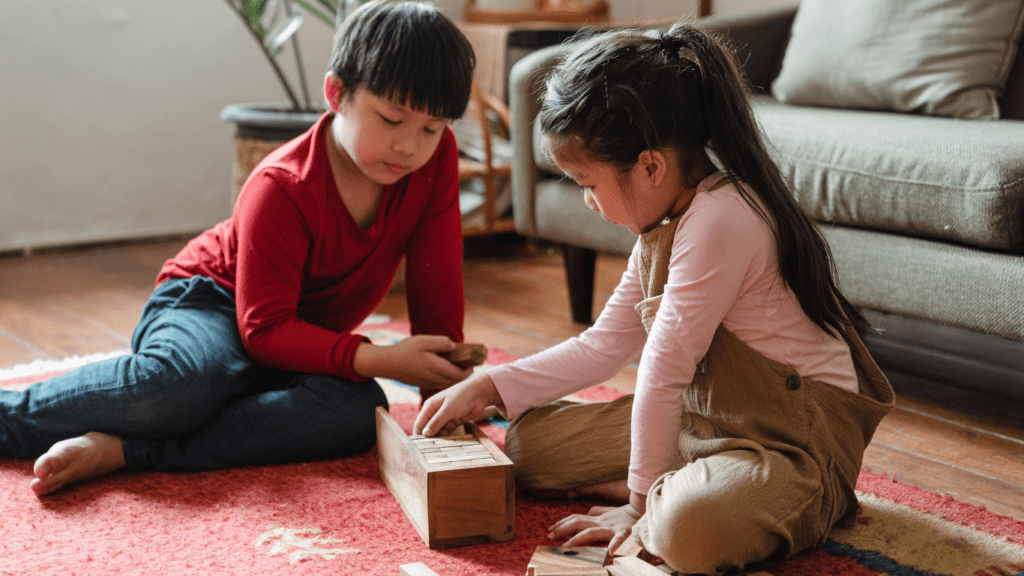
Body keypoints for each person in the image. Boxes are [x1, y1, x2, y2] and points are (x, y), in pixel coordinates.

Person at [414, 23, 895, 575]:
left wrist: (638, 511)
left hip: (794, 448)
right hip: (709, 422)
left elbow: (663, 372)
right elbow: (602, 347)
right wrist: (490, 385)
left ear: (649, 166)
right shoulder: (663, 225)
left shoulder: (722, 218)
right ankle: (674, 477)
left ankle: (669, 493)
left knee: (682, 532)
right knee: (525, 449)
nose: (589, 202)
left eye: (587, 183)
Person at [1, 0, 476, 497]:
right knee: (181, 387)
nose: (410, 146)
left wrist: (446, 404)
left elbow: (435, 280)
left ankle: (125, 449)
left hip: (298, 340)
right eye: (391, 119)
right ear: (336, 93)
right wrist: (382, 358)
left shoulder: (432, 162)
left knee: (358, 413)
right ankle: (9, 415)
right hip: (212, 303)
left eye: (431, 127)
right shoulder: (282, 185)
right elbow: (264, 328)